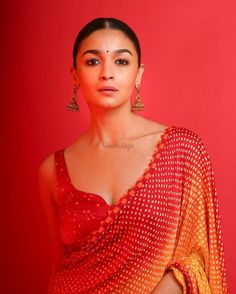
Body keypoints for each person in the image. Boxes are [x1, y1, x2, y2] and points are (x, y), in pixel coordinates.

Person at [38, 17, 228, 293]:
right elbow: (58, 264)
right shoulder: (52, 170)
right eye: (93, 61)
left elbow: (200, 257)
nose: (107, 73)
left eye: (121, 61)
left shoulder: (182, 150)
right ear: (74, 75)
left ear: (138, 74)